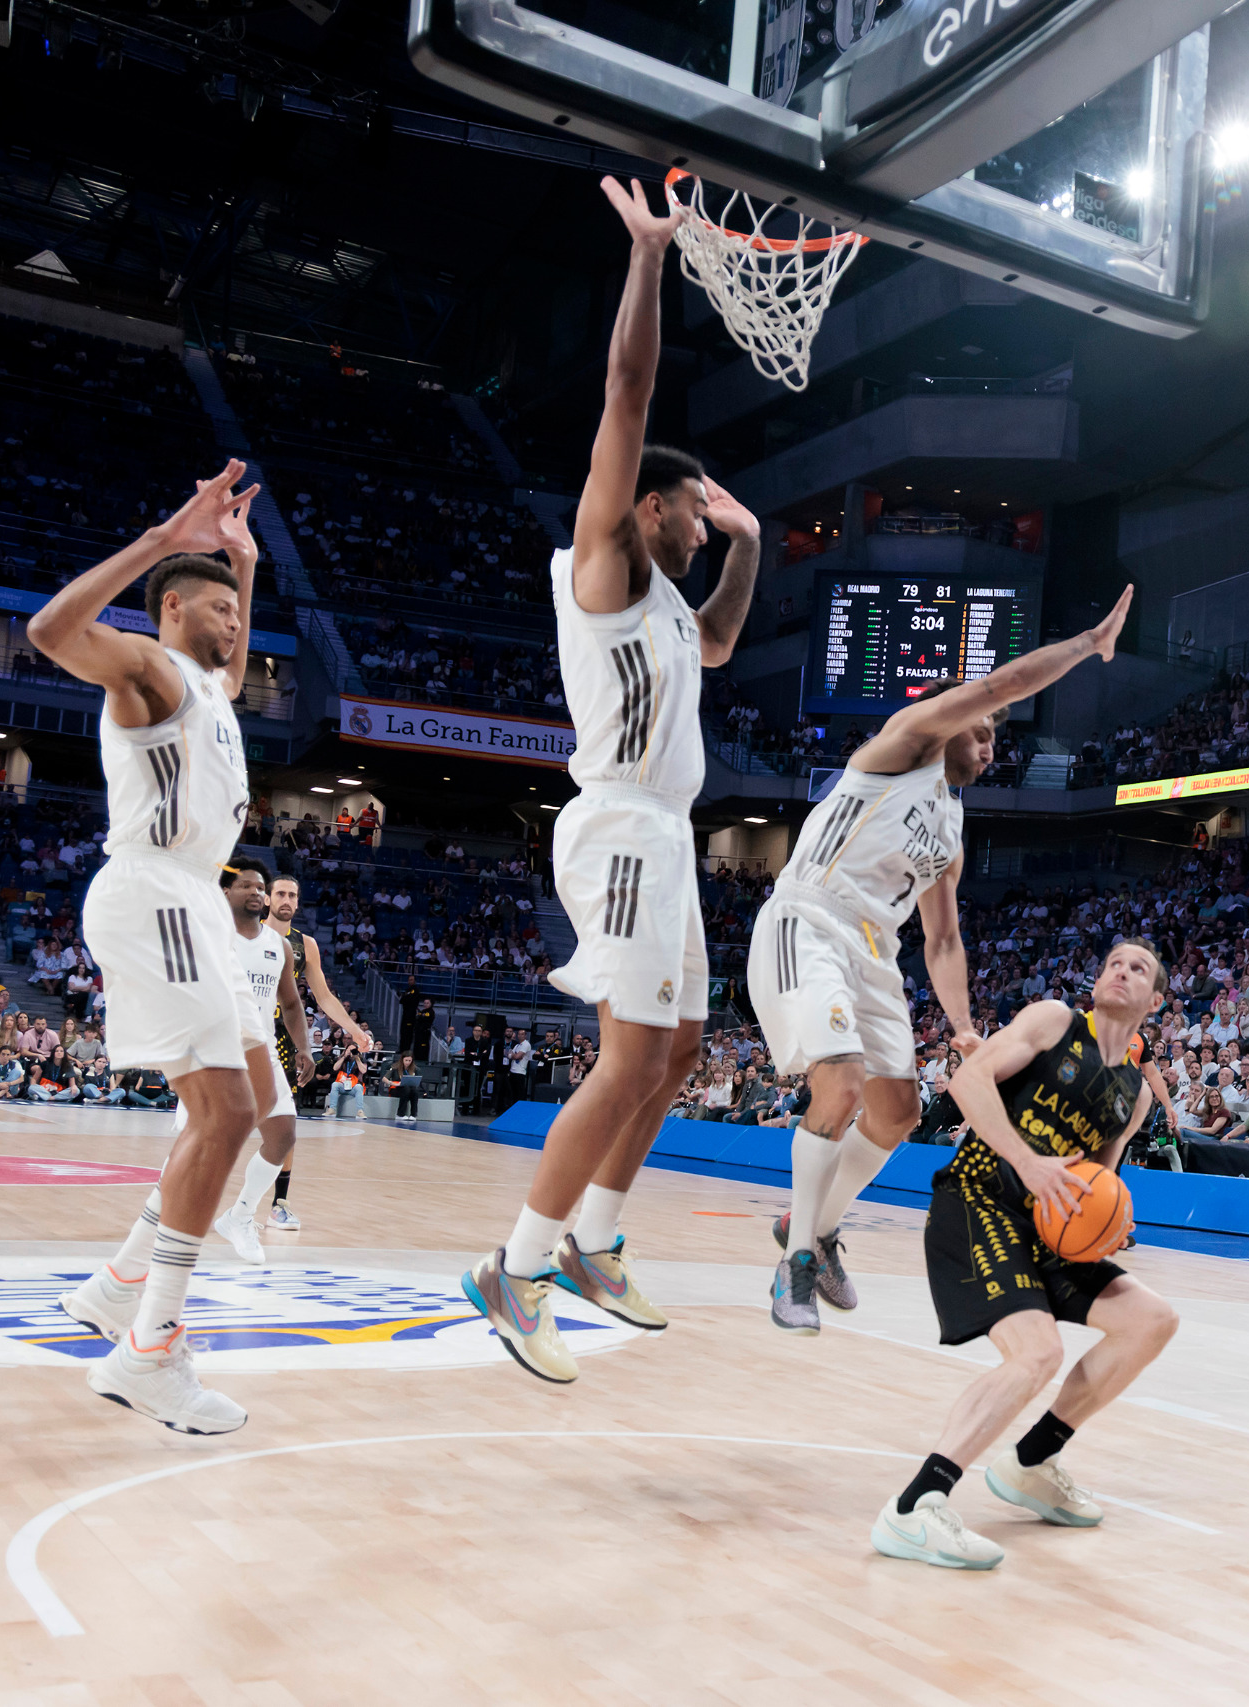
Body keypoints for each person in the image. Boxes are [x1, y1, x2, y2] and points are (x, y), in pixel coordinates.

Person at [463, 177, 760, 1380]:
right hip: (620, 828)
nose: (701, 521)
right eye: (694, 510)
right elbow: (626, 395)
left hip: (669, 837)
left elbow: (723, 642)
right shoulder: (605, 567)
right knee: (630, 1057)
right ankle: (516, 1267)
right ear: (649, 507)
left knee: (679, 1048)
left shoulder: (677, 611)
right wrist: (646, 259)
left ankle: (593, 1243)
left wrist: (749, 546)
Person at [751, 587, 1133, 1335]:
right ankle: (794, 1263)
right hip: (812, 918)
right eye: (982, 732)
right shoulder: (906, 744)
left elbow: (945, 939)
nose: (990, 748)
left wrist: (962, 1027)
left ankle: (813, 1228)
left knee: (899, 1111)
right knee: (841, 1084)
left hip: (874, 948)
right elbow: (1002, 684)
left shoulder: (951, 830)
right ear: (950, 719)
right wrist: (1088, 643)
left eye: (994, 741)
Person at [29, 458, 265, 1435]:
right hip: (158, 892)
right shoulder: (147, 667)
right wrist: (168, 541)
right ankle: (151, 1350)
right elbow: (50, 632)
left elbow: (233, 674)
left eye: (238, 612)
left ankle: (121, 1283)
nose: (234, 624)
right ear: (172, 610)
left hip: (191, 902)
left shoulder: (210, 689)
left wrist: (244, 565)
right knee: (227, 1113)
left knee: (242, 1104)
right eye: (218, 609)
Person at [873, 939, 1177, 1572]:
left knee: (1151, 1320)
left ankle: (1032, 1462)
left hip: (1044, 1226)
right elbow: (967, 1080)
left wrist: (1109, 1222)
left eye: (1138, 969)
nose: (1121, 972)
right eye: (1114, 963)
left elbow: (1100, 1179)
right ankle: (915, 1507)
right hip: (978, 1197)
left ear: (1155, 1001)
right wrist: (1027, 1161)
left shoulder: (1135, 1093)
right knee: (1038, 1352)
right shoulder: (1053, 1022)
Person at [186, 858, 315, 1264]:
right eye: (247, 885)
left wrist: (304, 1048)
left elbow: (290, 1004)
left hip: (260, 1051)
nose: (257, 892)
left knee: (283, 1135)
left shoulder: (279, 946)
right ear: (226, 892)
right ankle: (163, 1222)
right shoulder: (210, 938)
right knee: (199, 1146)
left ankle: (240, 1216)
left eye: (261, 887)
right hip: (213, 1054)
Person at [262, 874, 377, 1233]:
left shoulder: (305, 944)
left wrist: (354, 1030)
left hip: (284, 1040)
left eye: (292, 895)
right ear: (266, 899)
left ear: (298, 902)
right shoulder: (246, 934)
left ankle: (279, 1203)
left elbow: (323, 996)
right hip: (243, 1034)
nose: (286, 900)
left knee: (285, 1125)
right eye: (280, 893)